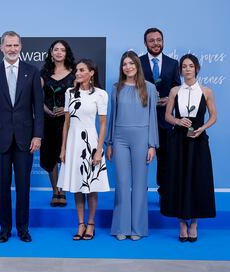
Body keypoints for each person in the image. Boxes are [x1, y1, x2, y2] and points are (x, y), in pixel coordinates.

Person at [0, 31, 44, 243]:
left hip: (26, 139)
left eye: (15, 45)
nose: (12, 49)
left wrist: (38, 135)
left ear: (21, 46)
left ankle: (23, 228)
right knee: (2, 187)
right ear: (1, 47)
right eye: (8, 45)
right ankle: (4, 229)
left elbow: (38, 107)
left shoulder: (32, 72)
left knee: (24, 186)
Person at [160, 54, 217, 242]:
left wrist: (203, 128)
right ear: (180, 70)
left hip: (198, 139)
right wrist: (177, 120)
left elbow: (213, 116)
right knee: (178, 178)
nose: (187, 69)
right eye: (184, 66)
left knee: (197, 179)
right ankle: (181, 223)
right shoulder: (175, 91)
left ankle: (194, 222)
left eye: (190, 66)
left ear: (197, 68)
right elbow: (167, 116)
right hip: (178, 140)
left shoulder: (206, 91)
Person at [106, 51, 159, 241]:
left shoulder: (150, 88)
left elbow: (153, 117)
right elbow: (112, 117)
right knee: (122, 183)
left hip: (142, 139)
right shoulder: (116, 88)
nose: (127, 67)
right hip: (119, 138)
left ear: (137, 65)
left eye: (131, 63)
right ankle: (121, 226)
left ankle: (137, 228)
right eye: (124, 64)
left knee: (139, 184)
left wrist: (152, 145)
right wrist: (109, 142)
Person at [57, 59, 110, 240]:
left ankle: (91, 224)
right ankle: (80, 223)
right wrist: (63, 148)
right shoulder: (69, 93)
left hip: (91, 144)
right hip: (73, 145)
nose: (78, 73)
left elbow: (103, 124)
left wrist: (99, 149)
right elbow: (66, 123)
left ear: (91, 72)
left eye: (82, 70)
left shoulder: (101, 94)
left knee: (91, 186)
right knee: (77, 186)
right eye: (76, 70)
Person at [139, 28, 181, 194]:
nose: (156, 43)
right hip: (142, 120)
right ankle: (140, 191)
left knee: (165, 160)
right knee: (140, 159)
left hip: (165, 120)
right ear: (145, 43)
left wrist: (170, 100)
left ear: (163, 41)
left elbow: (178, 90)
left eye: (159, 40)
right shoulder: (137, 63)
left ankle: (164, 193)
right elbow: (132, 89)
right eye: (152, 40)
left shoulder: (173, 64)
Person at [40, 40, 75, 207]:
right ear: (51, 53)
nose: (59, 52)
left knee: (66, 155)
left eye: (63, 50)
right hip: (48, 121)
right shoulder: (44, 73)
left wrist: (66, 109)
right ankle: (56, 191)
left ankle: (64, 190)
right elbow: (36, 97)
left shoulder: (75, 73)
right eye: (56, 49)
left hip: (68, 121)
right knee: (50, 156)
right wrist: (46, 109)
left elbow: (80, 97)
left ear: (66, 53)